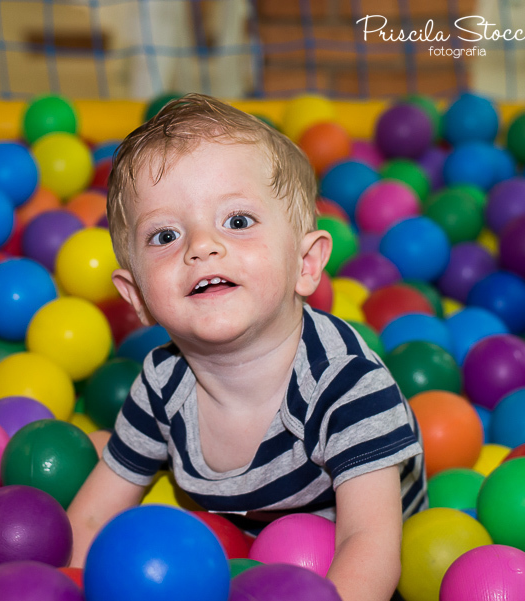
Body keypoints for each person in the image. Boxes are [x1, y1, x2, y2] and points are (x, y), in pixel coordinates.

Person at [66, 93, 427, 601]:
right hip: (230, 554)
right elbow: (92, 518)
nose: (201, 246)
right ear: (138, 298)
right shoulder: (161, 384)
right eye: (165, 235)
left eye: (237, 221)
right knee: (99, 453)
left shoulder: (344, 384)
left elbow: (369, 546)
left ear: (305, 264)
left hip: (346, 558)